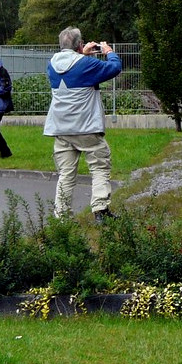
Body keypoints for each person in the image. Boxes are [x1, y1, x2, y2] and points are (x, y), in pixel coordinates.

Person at [44, 27, 122, 222]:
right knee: (99, 167)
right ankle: (100, 210)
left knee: (66, 174)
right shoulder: (87, 64)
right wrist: (108, 51)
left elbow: (72, 70)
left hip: (61, 129)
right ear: (79, 44)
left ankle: (62, 218)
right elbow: (115, 68)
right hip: (86, 127)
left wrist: (82, 54)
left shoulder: (51, 64)